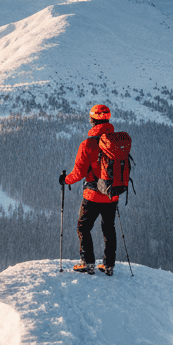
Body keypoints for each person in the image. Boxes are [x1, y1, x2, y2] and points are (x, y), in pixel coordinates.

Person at [59, 103, 118, 275]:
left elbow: (78, 173)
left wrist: (65, 180)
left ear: (92, 120)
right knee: (109, 228)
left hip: (92, 195)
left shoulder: (88, 144)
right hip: (112, 194)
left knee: (83, 227)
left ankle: (88, 262)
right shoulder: (116, 141)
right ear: (108, 119)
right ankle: (108, 265)